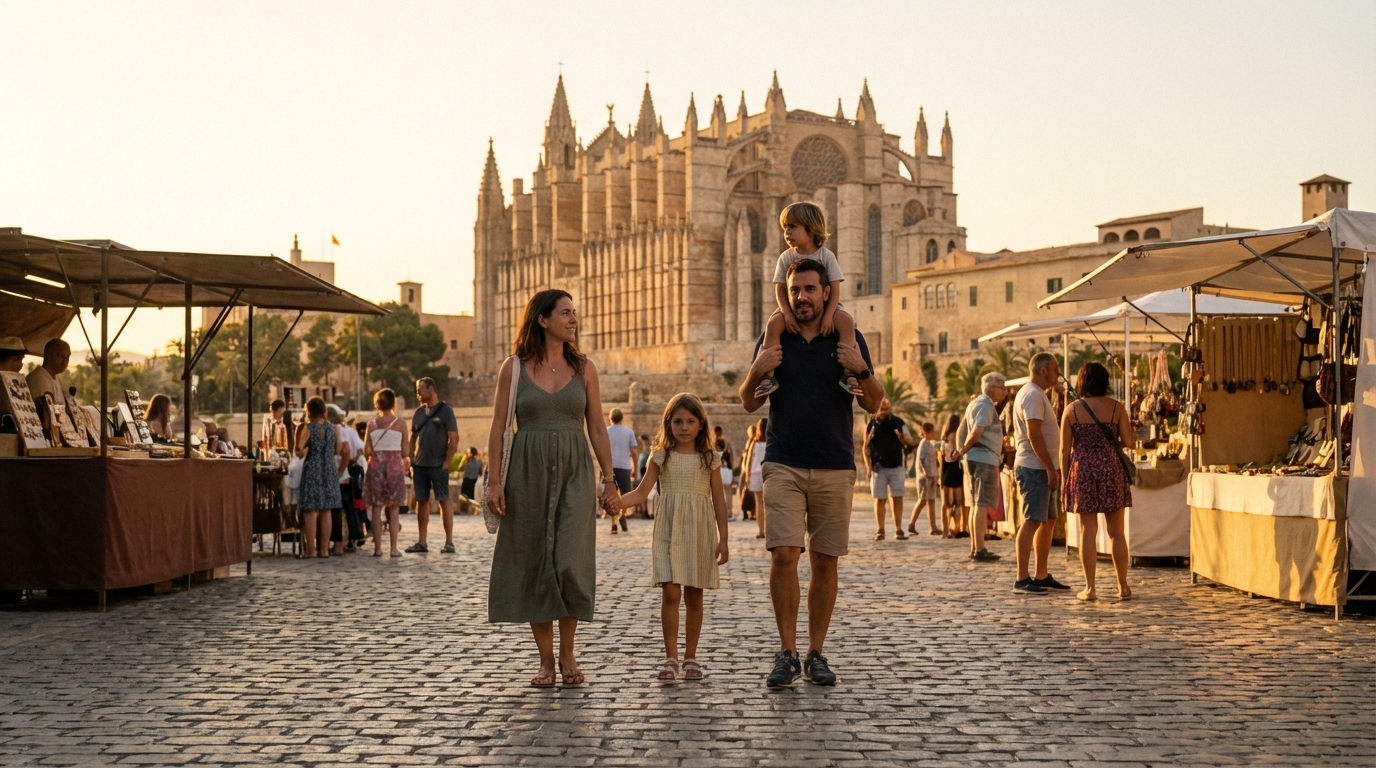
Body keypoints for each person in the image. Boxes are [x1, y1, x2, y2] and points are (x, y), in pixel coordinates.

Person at [740, 258, 882, 689]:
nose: (802, 297)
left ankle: (816, 651)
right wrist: (757, 369)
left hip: (835, 464)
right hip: (782, 460)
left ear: (825, 293)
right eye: (795, 290)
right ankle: (786, 651)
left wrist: (859, 365)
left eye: (809, 289)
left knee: (824, 561)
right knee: (784, 554)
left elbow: (874, 403)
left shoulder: (846, 336)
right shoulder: (774, 337)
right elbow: (748, 402)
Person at [485, 289, 619, 688]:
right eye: (565, 313)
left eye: (575, 313)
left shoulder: (586, 368)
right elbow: (497, 427)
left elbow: (596, 426)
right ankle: (547, 660)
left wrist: (610, 479)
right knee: (535, 561)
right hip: (526, 474)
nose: (573, 320)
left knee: (568, 560)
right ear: (542, 320)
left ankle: (568, 651)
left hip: (576, 472)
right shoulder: (513, 368)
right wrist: (494, 481)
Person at [617, 393, 729, 682]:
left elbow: (719, 500)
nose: (684, 427)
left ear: (701, 424)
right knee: (671, 593)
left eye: (691, 421)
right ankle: (671, 656)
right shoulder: (660, 456)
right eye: (678, 421)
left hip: (700, 530)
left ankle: (691, 655)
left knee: (694, 594)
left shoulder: (710, 459)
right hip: (669, 529)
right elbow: (641, 492)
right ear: (668, 424)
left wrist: (724, 538)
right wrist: (617, 502)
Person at [752, 202, 861, 398]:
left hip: (828, 305)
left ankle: (849, 374)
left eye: (792, 226)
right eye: (785, 228)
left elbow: (835, 289)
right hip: (791, 307)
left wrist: (829, 316)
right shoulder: (785, 258)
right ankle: (768, 377)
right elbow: (780, 288)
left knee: (846, 322)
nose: (787, 232)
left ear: (811, 229)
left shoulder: (827, 256)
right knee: (773, 324)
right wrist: (786, 314)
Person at [1061, 361, 1134, 602]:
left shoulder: (1071, 410)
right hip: (1111, 468)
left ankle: (1090, 588)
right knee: (1117, 533)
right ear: (1106, 382)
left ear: (1082, 381)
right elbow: (1129, 442)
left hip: (1083, 471)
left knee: (1088, 532)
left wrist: (1064, 480)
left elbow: (1064, 450)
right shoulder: (1117, 407)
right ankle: (1122, 585)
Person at [1012, 353, 1072, 595]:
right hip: (1034, 467)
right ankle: (1022, 578)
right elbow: (1034, 434)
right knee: (1032, 520)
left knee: (1047, 521)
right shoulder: (1033, 395)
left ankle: (1041, 574)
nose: (1059, 374)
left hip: (1042, 467)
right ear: (1044, 370)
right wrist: (1049, 467)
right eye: (1056, 369)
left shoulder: (1038, 395)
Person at [951, 373, 1008, 562]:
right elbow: (976, 432)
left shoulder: (976, 403)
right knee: (981, 504)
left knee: (976, 504)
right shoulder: (985, 405)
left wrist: (962, 452)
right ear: (991, 388)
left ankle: (976, 546)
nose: (1004, 390)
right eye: (1001, 386)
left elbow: (962, 430)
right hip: (983, 459)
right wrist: (963, 450)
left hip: (975, 458)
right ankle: (980, 548)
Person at [407, 377, 458, 554]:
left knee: (443, 500)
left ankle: (449, 541)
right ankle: (422, 541)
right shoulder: (419, 413)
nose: (418, 393)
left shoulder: (446, 411)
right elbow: (412, 437)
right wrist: (411, 457)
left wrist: (447, 462)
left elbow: (454, 438)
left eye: (420, 390)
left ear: (431, 390)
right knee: (422, 501)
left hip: (438, 465)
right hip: (420, 466)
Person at [294, 396, 345, 558]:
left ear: (309, 412)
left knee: (310, 510)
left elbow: (298, 449)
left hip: (313, 469)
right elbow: (338, 449)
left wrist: (305, 449)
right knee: (326, 509)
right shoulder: (334, 428)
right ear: (323, 410)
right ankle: (324, 550)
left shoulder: (308, 428)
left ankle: (311, 550)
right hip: (329, 469)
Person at [364, 388, 409, 557]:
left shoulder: (372, 423)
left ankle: (377, 549)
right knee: (394, 509)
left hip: (376, 465)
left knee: (377, 508)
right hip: (394, 466)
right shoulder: (400, 423)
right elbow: (405, 450)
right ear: (393, 403)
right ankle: (394, 548)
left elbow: (367, 449)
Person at [863, 397, 915, 541]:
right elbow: (865, 446)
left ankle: (898, 529)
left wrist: (902, 439)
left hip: (896, 465)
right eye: (881, 407)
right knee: (880, 499)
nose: (884, 410)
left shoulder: (897, 423)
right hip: (878, 467)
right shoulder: (872, 424)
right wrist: (868, 466)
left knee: (897, 497)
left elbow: (910, 441)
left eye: (886, 407)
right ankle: (880, 529)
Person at [328, 406, 362, 555]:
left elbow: (346, 451)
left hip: (340, 475)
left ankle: (340, 543)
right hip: (344, 473)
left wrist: (340, 471)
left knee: (338, 510)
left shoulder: (337, 431)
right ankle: (347, 541)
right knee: (346, 509)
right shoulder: (345, 430)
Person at [606, 408, 638, 534]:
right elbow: (634, 452)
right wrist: (635, 468)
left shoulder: (606, 432)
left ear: (610, 418)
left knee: (610, 496)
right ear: (622, 418)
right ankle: (622, 516)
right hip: (624, 467)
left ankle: (613, 522)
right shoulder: (628, 432)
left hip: (610, 467)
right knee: (625, 496)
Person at [909, 422, 942, 536]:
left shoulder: (930, 444)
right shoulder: (923, 444)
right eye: (933, 431)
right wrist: (925, 473)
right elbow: (921, 459)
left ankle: (933, 527)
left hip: (932, 476)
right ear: (927, 433)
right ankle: (912, 523)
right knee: (922, 500)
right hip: (925, 477)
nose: (935, 433)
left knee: (931, 501)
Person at [939, 414, 967, 539]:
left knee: (947, 504)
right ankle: (961, 528)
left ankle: (946, 531)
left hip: (947, 470)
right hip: (955, 469)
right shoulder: (956, 435)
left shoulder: (944, 438)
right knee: (958, 502)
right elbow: (954, 454)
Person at [25, 339, 69, 412]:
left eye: (67, 358)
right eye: (61, 356)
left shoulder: (56, 378)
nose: (65, 362)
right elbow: (46, 414)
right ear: (48, 355)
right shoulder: (39, 378)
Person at [740, 419, 768, 534]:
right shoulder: (771, 442)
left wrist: (747, 476)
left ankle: (761, 531)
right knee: (770, 503)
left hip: (756, 474)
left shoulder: (754, 442)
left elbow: (749, 460)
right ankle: (769, 530)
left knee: (759, 503)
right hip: (768, 473)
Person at [715, 436, 735, 521]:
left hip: (720, 471)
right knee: (728, 493)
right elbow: (731, 459)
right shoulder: (727, 453)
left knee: (719, 493)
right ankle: (729, 511)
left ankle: (718, 512)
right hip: (728, 471)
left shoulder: (716, 454)